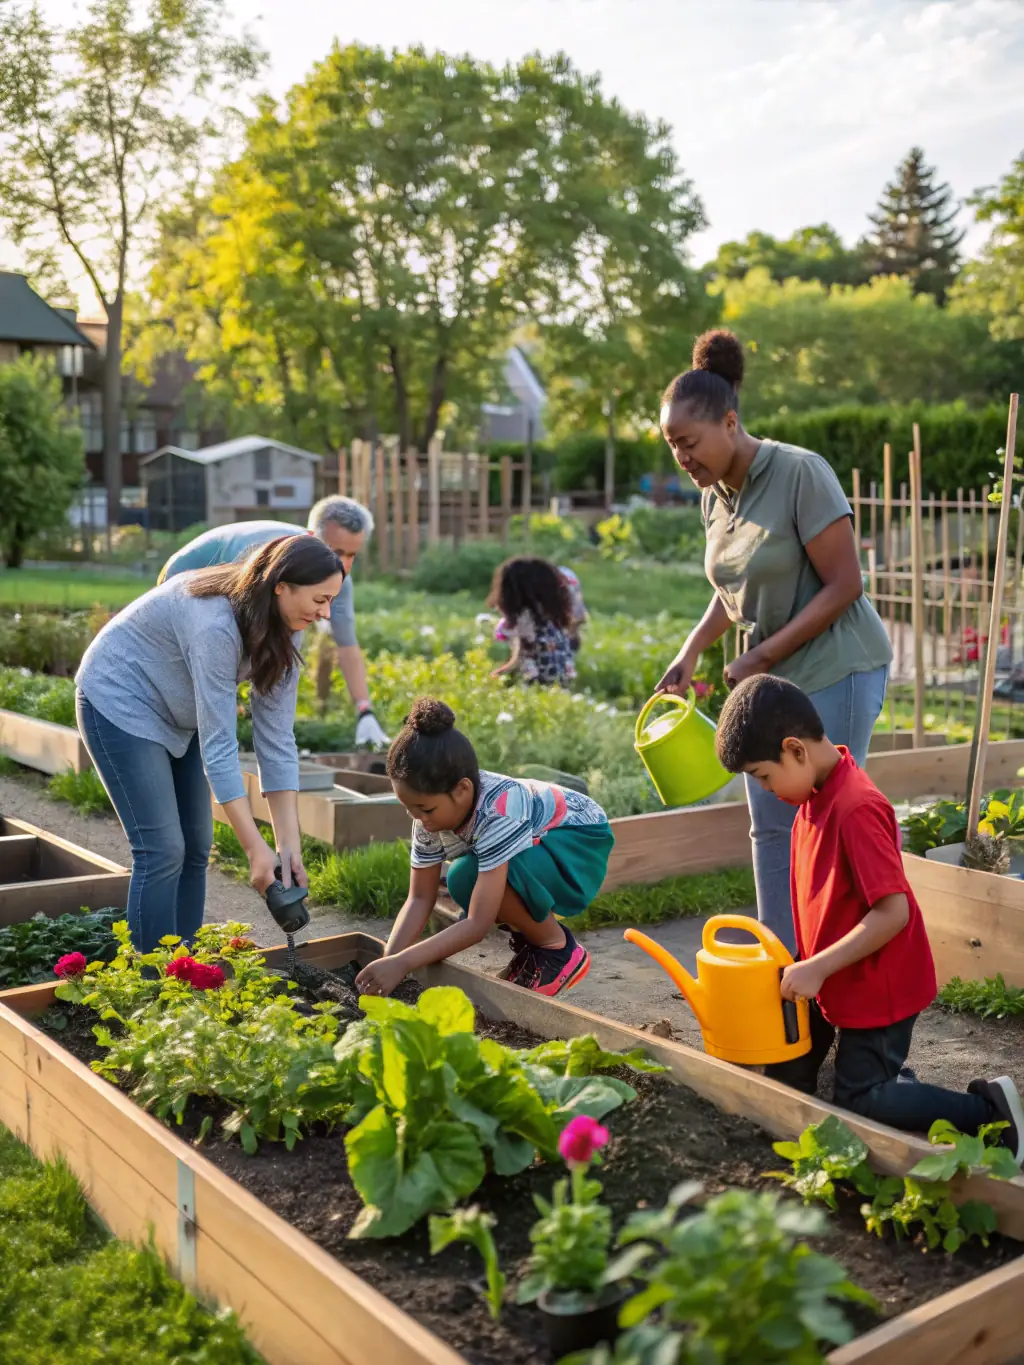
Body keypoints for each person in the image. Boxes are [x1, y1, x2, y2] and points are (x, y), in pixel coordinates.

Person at [714, 674, 1024, 1156]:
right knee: (785, 1070)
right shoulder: (812, 801)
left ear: (795, 749)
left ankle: (988, 1111)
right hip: (841, 979)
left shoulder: (856, 808)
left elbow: (893, 912)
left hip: (881, 988)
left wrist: (816, 966)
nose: (766, 790)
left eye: (763, 776)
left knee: (861, 1102)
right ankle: (892, 1076)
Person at [656, 329, 893, 954]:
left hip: (836, 668)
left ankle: (839, 974)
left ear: (729, 422)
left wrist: (760, 654)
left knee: (829, 820)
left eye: (688, 440)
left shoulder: (799, 473)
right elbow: (732, 584)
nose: (681, 455)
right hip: (773, 676)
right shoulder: (715, 496)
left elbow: (844, 584)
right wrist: (690, 652)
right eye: (671, 444)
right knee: (769, 825)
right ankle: (782, 968)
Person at [76, 536, 345, 952]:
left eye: (331, 602)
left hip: (182, 714)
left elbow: (276, 741)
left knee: (197, 846)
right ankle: (151, 985)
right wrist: (256, 850)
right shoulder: (216, 624)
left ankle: (184, 969)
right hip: (121, 703)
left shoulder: (290, 626)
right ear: (281, 585)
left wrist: (287, 845)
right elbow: (220, 751)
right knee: (163, 849)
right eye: (320, 599)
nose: (325, 612)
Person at [355, 699, 614, 998]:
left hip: (577, 841)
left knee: (474, 877)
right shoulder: (426, 819)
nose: (420, 821)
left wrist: (404, 963)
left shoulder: (500, 809)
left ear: (462, 789)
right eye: (409, 809)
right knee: (465, 877)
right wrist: (388, 961)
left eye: (425, 809)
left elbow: (477, 923)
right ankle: (533, 944)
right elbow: (419, 898)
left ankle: (557, 949)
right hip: (540, 844)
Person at [159, 496, 388, 749]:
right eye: (336, 553)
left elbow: (346, 643)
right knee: (188, 696)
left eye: (351, 555)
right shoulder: (267, 560)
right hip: (189, 576)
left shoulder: (337, 580)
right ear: (312, 536)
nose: (343, 565)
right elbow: (228, 635)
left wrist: (364, 710)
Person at [488, 556, 577, 687]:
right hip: (559, 689)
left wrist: (495, 677)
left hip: (534, 688)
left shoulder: (525, 622)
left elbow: (519, 661)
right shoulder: (553, 623)